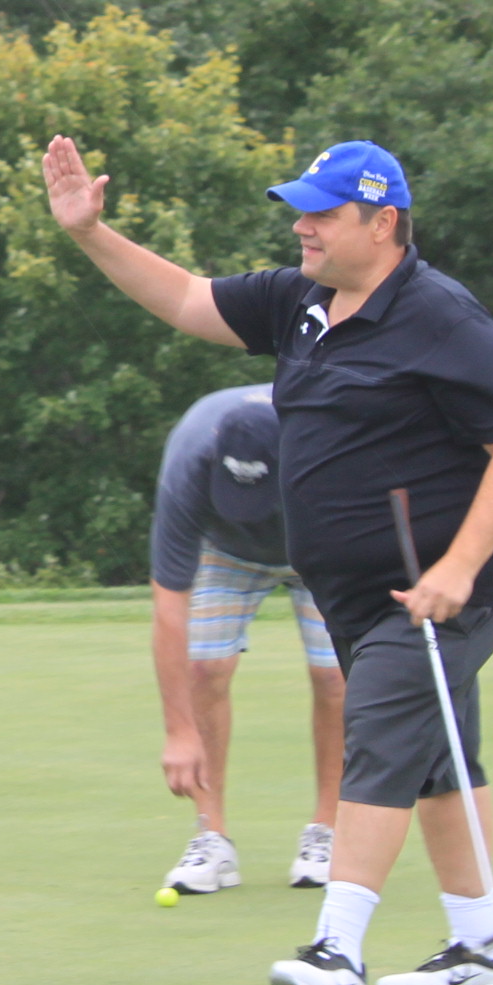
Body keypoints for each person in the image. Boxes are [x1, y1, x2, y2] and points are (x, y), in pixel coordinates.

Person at [44, 135, 493, 985]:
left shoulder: (444, 320)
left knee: (379, 735)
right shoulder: (299, 300)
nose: (301, 227)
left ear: (382, 223)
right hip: (357, 593)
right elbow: (188, 298)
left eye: (322, 213)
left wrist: (459, 569)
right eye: (299, 212)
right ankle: (479, 949)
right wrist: (89, 233)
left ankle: (336, 951)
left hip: (435, 592)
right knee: (439, 758)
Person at [147, 383, 345, 896]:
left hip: (323, 544)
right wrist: (178, 732)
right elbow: (169, 605)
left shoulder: (334, 447)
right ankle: (210, 838)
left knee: (335, 676)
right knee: (205, 669)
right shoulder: (190, 458)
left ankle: (327, 832)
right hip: (226, 551)